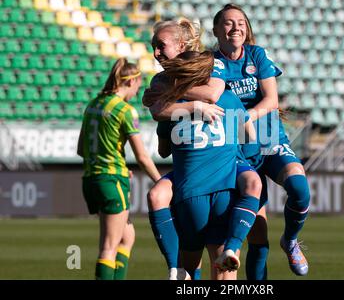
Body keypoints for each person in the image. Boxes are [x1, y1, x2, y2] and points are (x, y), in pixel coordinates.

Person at [143, 18, 263, 279]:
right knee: (220, 262)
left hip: (193, 182)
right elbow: (249, 134)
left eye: (161, 46)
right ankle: (228, 249)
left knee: (190, 260)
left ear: (182, 46)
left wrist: (172, 99)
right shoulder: (227, 96)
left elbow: (163, 144)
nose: (155, 53)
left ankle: (176, 269)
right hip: (220, 176)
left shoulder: (193, 88)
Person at [210, 3, 311, 278]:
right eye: (229, 23)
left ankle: (290, 240)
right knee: (258, 233)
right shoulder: (211, 62)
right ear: (216, 30)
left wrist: (244, 116)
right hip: (238, 149)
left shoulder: (257, 54)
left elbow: (272, 100)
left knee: (300, 188)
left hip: (270, 138)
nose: (236, 27)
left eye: (241, 22)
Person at [77, 58, 161, 280]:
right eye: (138, 85)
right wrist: (160, 182)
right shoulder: (125, 110)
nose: (137, 91)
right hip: (111, 180)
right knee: (108, 246)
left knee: (127, 236)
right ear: (131, 81)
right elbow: (142, 157)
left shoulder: (93, 104)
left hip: (91, 179)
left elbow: (81, 148)